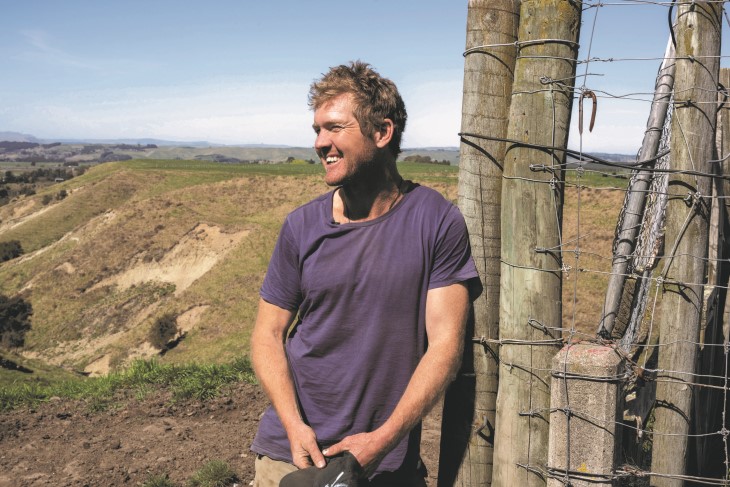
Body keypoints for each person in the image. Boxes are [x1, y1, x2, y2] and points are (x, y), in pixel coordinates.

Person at [250, 60, 481, 487]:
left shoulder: (437, 222)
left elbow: (446, 345)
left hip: (383, 463)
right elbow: (266, 335)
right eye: (317, 131)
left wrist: (383, 441)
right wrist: (293, 426)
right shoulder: (300, 227)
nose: (321, 143)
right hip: (291, 457)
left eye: (335, 128)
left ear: (382, 132)